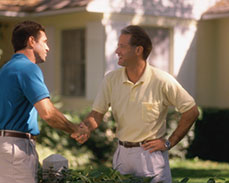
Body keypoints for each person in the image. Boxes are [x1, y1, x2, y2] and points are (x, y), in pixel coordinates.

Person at [76, 25, 199, 183]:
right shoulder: (110, 80)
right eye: (117, 46)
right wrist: (85, 128)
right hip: (122, 155)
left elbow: (191, 111)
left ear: (138, 50)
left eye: (122, 46)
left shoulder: (161, 80)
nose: (117, 51)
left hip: (150, 156)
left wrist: (170, 141)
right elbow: (97, 114)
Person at [0, 21, 84, 183]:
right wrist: (75, 129)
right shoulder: (27, 68)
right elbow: (48, 113)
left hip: (2, 147)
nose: (48, 48)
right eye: (45, 42)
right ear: (31, 41)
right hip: (15, 150)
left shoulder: (7, 68)